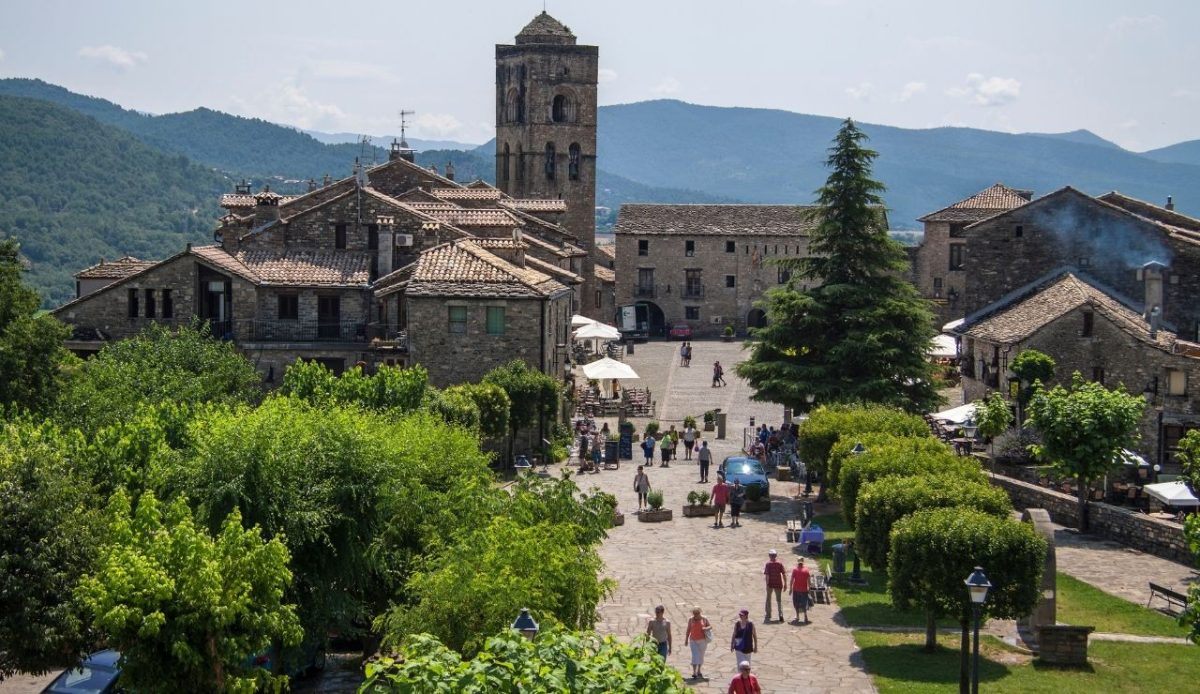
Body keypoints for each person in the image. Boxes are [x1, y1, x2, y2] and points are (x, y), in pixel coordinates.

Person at [684, 606, 711, 680]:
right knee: (695, 655)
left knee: (701, 656)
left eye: (697, 613)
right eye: (694, 613)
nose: (696, 615)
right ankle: (694, 672)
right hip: (693, 640)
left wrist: (705, 628)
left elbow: (710, 626)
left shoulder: (704, 619)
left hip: (703, 640)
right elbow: (688, 629)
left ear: (700, 612)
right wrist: (686, 639)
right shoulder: (691, 619)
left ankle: (699, 670)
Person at [763, 549, 786, 622]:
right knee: (779, 600)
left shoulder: (768, 564)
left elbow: (767, 575)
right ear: (776, 556)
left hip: (770, 583)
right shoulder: (779, 563)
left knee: (768, 599)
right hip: (778, 583)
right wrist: (785, 583)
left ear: (770, 556)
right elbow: (783, 573)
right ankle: (780, 614)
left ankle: (768, 614)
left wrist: (767, 584)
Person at [789, 556, 812, 624]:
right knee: (804, 604)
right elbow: (809, 581)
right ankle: (805, 616)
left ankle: (797, 616)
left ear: (798, 562)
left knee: (796, 603)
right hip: (804, 590)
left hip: (796, 589)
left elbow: (792, 580)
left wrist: (790, 588)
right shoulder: (806, 570)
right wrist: (809, 588)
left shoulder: (795, 570)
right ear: (803, 562)